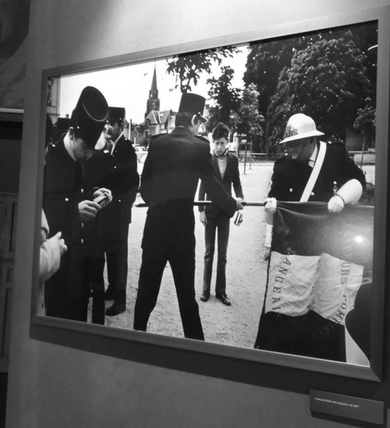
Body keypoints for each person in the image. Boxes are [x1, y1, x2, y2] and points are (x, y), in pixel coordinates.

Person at [255, 112, 366, 359]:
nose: (290, 149)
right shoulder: (282, 167)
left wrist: (340, 197)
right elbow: (274, 207)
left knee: (327, 301)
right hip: (299, 248)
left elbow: (358, 180)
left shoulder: (334, 154)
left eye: (295, 144)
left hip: (331, 245)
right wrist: (271, 209)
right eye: (287, 144)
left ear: (310, 141)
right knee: (292, 303)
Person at [133, 93, 243, 339]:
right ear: (194, 119)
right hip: (181, 234)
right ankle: (197, 348)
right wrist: (233, 205)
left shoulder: (157, 143)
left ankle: (136, 339)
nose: (200, 128)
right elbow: (213, 187)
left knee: (146, 295)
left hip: (155, 231)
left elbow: (145, 189)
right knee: (186, 299)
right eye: (199, 123)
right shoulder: (200, 146)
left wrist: (159, 203)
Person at [42, 86, 112, 322]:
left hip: (80, 260)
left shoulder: (83, 157)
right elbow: (40, 212)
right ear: (71, 133)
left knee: (78, 317)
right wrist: (74, 212)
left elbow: (77, 192)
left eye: (93, 149)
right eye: (86, 148)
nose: (90, 155)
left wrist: (96, 194)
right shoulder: (48, 161)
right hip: (57, 264)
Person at [84, 107, 139, 318]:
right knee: (109, 252)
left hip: (119, 214)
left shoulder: (126, 149)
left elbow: (133, 183)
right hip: (110, 213)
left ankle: (121, 299)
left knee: (119, 255)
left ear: (120, 126)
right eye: (105, 124)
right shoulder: (111, 147)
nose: (107, 127)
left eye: (111, 124)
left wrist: (123, 209)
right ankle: (111, 289)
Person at [197, 122, 244, 306]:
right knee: (209, 252)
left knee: (222, 255)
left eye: (222, 143)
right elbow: (202, 185)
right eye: (216, 143)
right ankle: (205, 290)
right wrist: (201, 211)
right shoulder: (207, 160)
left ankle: (221, 292)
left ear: (227, 142)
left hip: (225, 212)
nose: (218, 147)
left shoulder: (233, 161)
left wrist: (240, 199)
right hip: (210, 211)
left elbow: (237, 182)